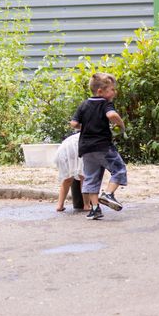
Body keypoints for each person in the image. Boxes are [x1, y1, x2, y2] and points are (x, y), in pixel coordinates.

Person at [70, 72, 127, 220]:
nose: (114, 92)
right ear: (100, 92)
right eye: (112, 89)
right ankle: (108, 194)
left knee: (91, 178)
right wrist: (121, 124)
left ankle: (94, 209)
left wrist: (87, 127)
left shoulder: (83, 105)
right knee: (119, 169)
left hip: (86, 148)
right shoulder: (105, 103)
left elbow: (74, 124)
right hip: (103, 147)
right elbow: (112, 116)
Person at [54, 132, 87, 212]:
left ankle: (60, 205)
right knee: (84, 176)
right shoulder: (97, 134)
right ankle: (87, 205)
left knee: (68, 178)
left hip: (64, 148)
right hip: (75, 147)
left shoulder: (84, 132)